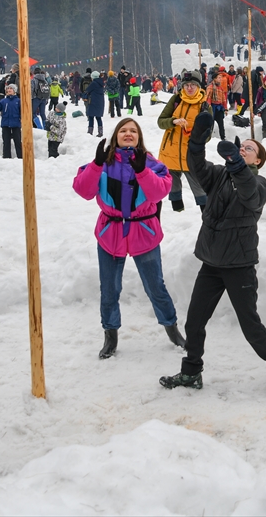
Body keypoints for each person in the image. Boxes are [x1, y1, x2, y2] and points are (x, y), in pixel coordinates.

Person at [159, 111, 266, 396]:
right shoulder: (219, 175)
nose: (244, 149)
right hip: (212, 262)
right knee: (194, 321)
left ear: (258, 161)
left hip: (239, 264)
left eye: (249, 150)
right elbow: (195, 166)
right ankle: (191, 372)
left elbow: (249, 194)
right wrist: (196, 141)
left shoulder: (260, 184)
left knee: (250, 326)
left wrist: (235, 163)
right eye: (242, 146)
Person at [72, 118, 184, 360]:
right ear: (116, 136)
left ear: (139, 136)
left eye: (133, 131)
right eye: (123, 130)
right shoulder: (103, 163)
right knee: (109, 289)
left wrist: (142, 171)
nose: (128, 134)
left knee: (156, 287)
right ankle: (110, 335)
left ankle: (172, 328)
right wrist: (97, 164)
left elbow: (158, 192)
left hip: (144, 232)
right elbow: (83, 191)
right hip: (110, 234)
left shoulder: (152, 164)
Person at [157, 71, 209, 212]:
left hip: (191, 154)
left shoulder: (204, 106)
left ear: (198, 87)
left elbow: (208, 134)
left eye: (193, 85)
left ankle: (206, 214)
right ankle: (177, 213)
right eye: (187, 85)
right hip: (170, 151)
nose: (190, 88)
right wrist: (173, 121)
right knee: (173, 185)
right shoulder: (176, 100)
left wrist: (195, 132)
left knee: (198, 185)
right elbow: (161, 122)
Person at [0, 83, 22, 159]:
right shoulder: (3, 101)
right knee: (6, 142)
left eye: (11, 88)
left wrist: (21, 119)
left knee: (18, 142)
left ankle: (20, 157)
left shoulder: (18, 101)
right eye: (8, 88)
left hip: (16, 124)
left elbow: (22, 112)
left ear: (15, 91)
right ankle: (6, 157)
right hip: (5, 124)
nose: (9, 90)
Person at [206, 71, 230, 140]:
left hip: (219, 108)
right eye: (219, 78)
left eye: (221, 78)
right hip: (212, 107)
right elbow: (208, 98)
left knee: (221, 124)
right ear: (214, 79)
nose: (220, 79)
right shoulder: (210, 87)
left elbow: (223, 100)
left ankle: (223, 137)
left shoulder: (220, 88)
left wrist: (225, 108)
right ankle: (208, 137)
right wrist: (209, 108)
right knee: (211, 124)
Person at [84, 71, 105, 137]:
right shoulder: (101, 83)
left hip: (93, 101)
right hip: (100, 102)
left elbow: (87, 90)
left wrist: (85, 97)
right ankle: (100, 132)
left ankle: (90, 131)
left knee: (91, 116)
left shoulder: (94, 83)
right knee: (98, 117)